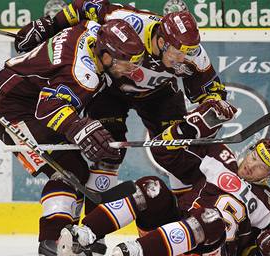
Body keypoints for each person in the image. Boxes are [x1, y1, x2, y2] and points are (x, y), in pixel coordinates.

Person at [14, 0, 228, 195]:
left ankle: (182, 217)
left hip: (159, 94)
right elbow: (87, 6)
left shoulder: (192, 55)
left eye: (189, 52)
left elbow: (212, 91)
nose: (183, 58)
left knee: (176, 151)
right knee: (108, 150)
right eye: (177, 52)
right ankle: (94, 231)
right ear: (161, 41)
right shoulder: (128, 22)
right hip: (110, 89)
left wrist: (215, 104)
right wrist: (50, 25)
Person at [56, 100, 270, 256]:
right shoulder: (219, 156)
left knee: (210, 217)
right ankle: (85, 234)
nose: (252, 165)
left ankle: (135, 251)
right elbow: (162, 150)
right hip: (165, 239)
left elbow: (246, 255)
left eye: (261, 166)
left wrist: (264, 251)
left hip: (204, 255)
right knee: (152, 188)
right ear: (249, 150)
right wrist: (199, 122)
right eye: (253, 156)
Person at [0, 18, 145, 256]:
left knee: (74, 168)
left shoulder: (92, 30)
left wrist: (49, 24)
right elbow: (47, 109)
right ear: (105, 56)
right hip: (12, 110)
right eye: (124, 63)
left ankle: (68, 236)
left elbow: (88, 10)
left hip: (18, 93)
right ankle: (53, 240)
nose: (129, 70)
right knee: (68, 169)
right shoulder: (82, 75)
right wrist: (77, 128)